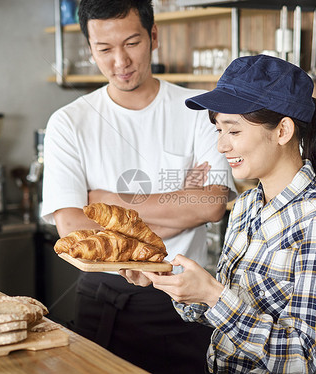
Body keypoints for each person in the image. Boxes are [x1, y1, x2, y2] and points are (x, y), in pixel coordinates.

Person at [122, 55, 316, 373]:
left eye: (233, 132)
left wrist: (213, 294)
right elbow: (220, 312)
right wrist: (166, 277)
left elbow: (302, 359)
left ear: (282, 130)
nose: (221, 146)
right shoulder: (246, 207)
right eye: (218, 130)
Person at [41, 0, 236, 373]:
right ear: (90, 48)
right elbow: (72, 228)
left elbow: (209, 205)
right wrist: (175, 209)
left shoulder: (197, 110)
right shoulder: (69, 123)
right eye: (104, 49)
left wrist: (108, 202)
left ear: (153, 36)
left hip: (185, 299)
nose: (120, 61)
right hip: (103, 301)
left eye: (131, 43)